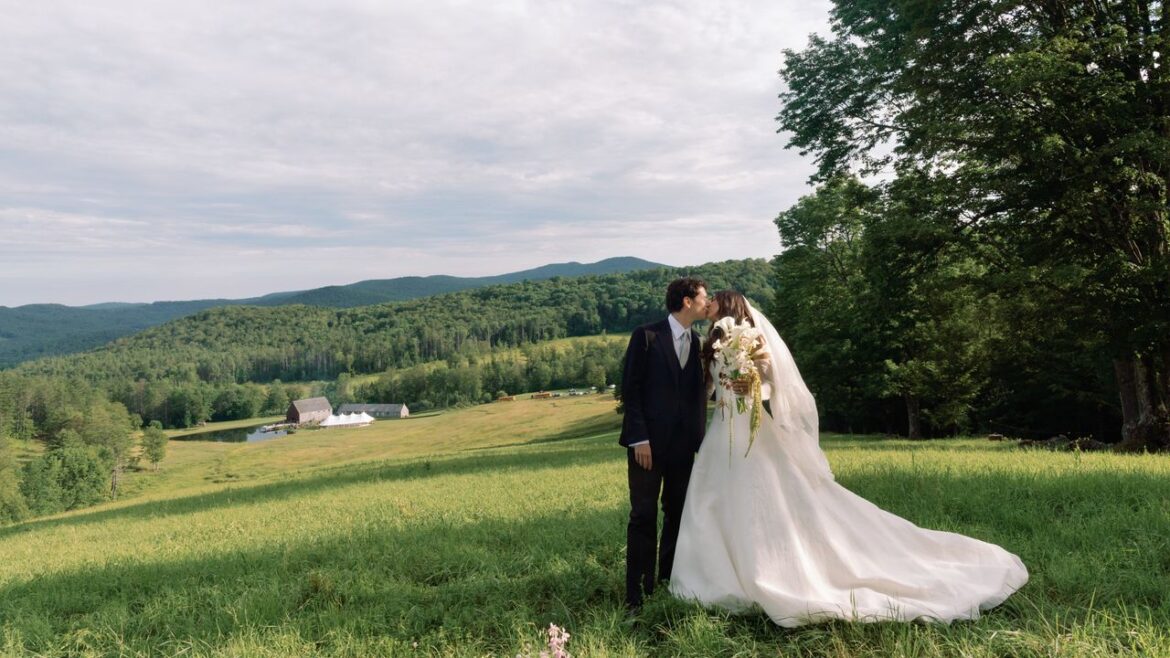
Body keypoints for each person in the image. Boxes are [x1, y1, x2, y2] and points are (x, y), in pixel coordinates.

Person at [669, 290, 1028, 626]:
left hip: (751, 428)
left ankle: (763, 570)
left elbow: (772, 383)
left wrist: (749, 382)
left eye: (715, 299)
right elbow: (707, 389)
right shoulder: (711, 343)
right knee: (715, 500)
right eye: (707, 298)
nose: (710, 302)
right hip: (722, 432)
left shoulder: (750, 336)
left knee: (761, 496)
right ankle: (715, 574)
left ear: (730, 306)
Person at [618, 276, 709, 610]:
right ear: (687, 301)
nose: (706, 301)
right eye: (703, 297)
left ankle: (669, 581)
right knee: (643, 515)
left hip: (683, 447)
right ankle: (636, 595)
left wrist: (700, 442)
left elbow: (697, 395)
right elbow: (632, 389)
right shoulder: (646, 336)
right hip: (648, 447)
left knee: (677, 512)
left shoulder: (698, 341)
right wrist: (639, 438)